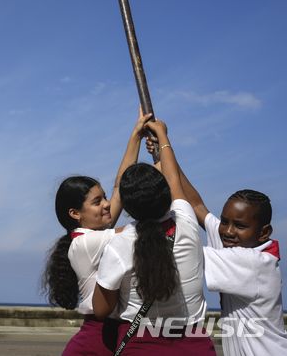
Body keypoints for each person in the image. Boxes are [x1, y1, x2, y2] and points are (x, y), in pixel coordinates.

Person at [146, 139, 287, 355]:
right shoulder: (230, 240)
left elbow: (186, 248)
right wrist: (162, 154)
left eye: (240, 226)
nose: (228, 231)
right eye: (225, 221)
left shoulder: (255, 263)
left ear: (264, 233)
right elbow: (196, 205)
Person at [92, 118, 216, 354]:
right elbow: (174, 179)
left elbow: (100, 310)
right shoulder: (186, 221)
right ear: (165, 193)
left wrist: (136, 136)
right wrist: (163, 137)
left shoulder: (120, 244)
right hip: (194, 344)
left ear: (128, 209)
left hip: (141, 345)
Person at [42, 111, 152, 355]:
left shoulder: (98, 236)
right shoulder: (86, 243)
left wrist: (136, 136)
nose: (105, 204)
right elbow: (137, 230)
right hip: (97, 338)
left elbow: (119, 186)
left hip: (112, 332)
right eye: (96, 201)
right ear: (75, 213)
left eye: (104, 198)